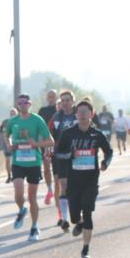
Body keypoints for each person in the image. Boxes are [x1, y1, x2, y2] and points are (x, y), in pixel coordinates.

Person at [55, 100, 113, 258]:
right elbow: (58, 154)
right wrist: (70, 157)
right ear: (76, 115)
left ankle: (85, 250)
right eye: (79, 112)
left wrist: (105, 163)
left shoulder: (97, 134)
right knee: (74, 217)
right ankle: (78, 222)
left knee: (87, 213)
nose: (82, 115)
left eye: (85, 112)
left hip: (90, 179)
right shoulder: (68, 134)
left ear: (91, 114)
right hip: (74, 180)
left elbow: (109, 152)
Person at [5, 94, 54, 241]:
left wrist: (36, 144)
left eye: (25, 103)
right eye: (20, 103)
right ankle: (21, 210)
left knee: (32, 197)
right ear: (17, 105)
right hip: (18, 162)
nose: (23, 105)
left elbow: (50, 141)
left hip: (33, 162)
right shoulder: (12, 121)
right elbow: (6, 135)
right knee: (18, 193)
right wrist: (9, 144)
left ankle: (34, 227)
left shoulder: (37, 120)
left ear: (30, 104)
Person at [48, 90, 79, 232]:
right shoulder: (56, 117)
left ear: (73, 101)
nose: (65, 103)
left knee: (76, 186)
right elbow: (48, 135)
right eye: (63, 100)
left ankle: (77, 214)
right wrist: (49, 148)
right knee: (63, 185)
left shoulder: (79, 115)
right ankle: (64, 219)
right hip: (60, 156)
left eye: (68, 100)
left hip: (77, 156)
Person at [37, 90, 58, 204]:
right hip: (46, 142)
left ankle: (59, 188)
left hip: (59, 142)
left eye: (53, 96)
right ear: (47, 98)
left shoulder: (60, 109)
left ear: (56, 97)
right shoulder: (42, 110)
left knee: (58, 168)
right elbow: (37, 125)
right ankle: (50, 189)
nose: (51, 98)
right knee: (46, 166)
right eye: (49, 96)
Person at [0, 108, 18, 183]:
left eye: (14, 113)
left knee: (15, 160)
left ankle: (15, 175)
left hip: (17, 143)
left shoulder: (19, 121)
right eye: (11, 113)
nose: (12, 114)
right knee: (7, 161)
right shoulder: (5, 122)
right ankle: (9, 176)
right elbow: (1, 130)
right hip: (7, 144)